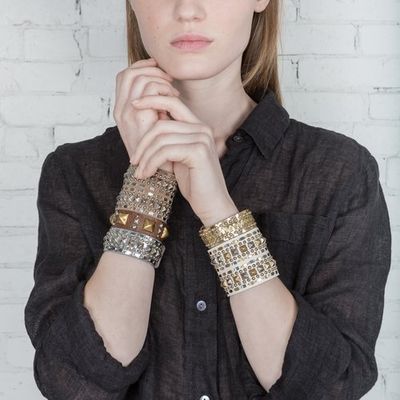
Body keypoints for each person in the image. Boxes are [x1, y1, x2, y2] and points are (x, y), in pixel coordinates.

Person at [24, 0, 392, 399]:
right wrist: (146, 186)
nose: (187, 9)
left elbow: (331, 385)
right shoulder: (73, 172)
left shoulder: (338, 172)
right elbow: (72, 382)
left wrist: (219, 211)